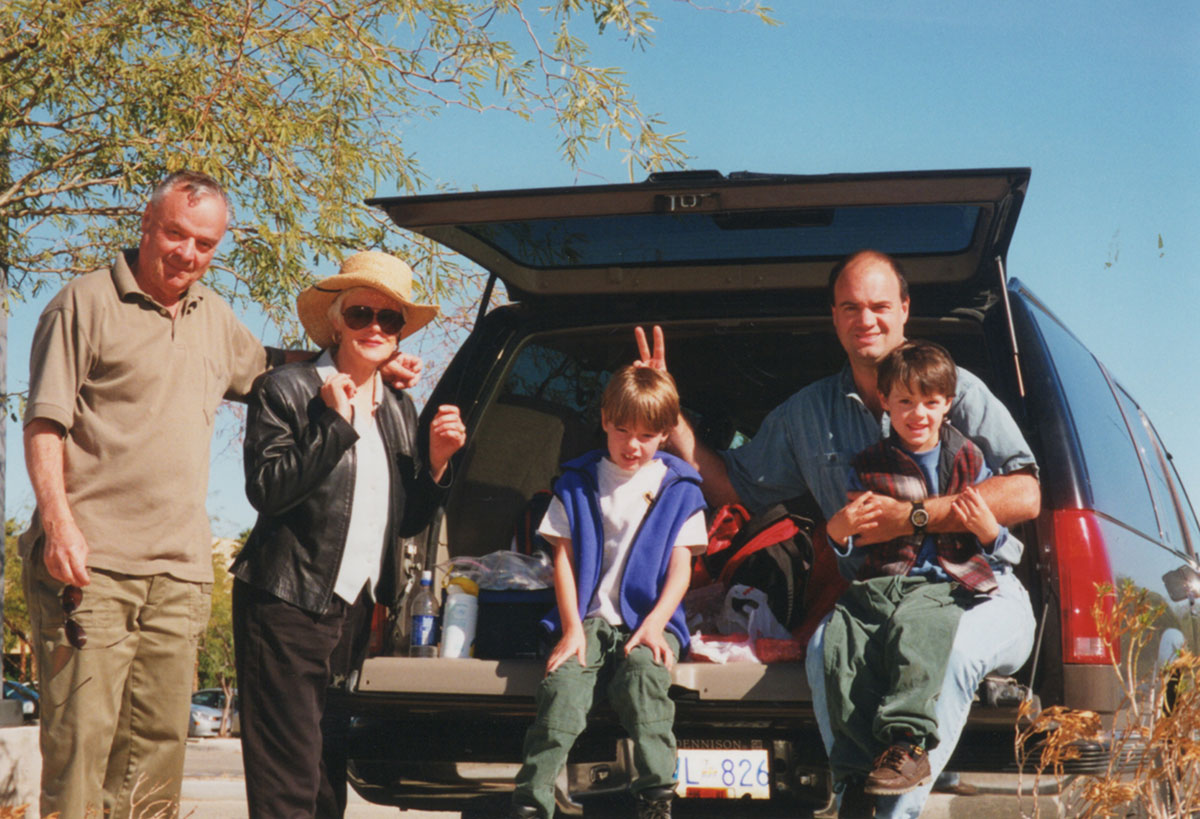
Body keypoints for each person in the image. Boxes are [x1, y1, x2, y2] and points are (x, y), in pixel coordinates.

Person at [18, 170, 420, 818]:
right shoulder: (83, 303)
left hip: (179, 571)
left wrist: (370, 357)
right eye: (175, 233)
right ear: (147, 225)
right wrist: (59, 525)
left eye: (204, 243)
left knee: (154, 762)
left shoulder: (212, 317)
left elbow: (273, 363)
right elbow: (44, 422)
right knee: (82, 753)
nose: (187, 252)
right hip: (92, 565)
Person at [635, 248, 1040, 818]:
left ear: (904, 308)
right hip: (877, 601)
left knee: (948, 652)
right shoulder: (808, 413)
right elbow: (733, 487)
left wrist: (917, 514)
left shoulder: (956, 389)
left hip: (977, 594)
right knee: (826, 646)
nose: (865, 319)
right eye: (850, 307)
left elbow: (1026, 491)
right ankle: (852, 791)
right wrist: (671, 411)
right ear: (834, 317)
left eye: (879, 305)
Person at [232, 250, 466, 818]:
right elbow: (267, 489)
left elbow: (404, 522)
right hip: (285, 603)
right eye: (361, 313)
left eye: (390, 320)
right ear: (335, 321)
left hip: (354, 612)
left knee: (325, 779)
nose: (375, 328)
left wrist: (435, 464)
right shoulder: (287, 390)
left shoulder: (398, 408)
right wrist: (332, 425)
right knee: (287, 779)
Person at [510, 365, 709, 819]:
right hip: (589, 620)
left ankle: (657, 796)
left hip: (651, 620)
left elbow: (682, 569)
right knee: (561, 690)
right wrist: (571, 629)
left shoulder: (681, 489)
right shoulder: (576, 483)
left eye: (646, 434)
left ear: (665, 434)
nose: (632, 445)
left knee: (644, 678)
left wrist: (657, 624)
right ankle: (531, 801)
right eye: (622, 430)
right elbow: (563, 558)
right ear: (604, 420)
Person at [821, 340, 1014, 798]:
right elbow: (854, 548)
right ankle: (853, 770)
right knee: (840, 643)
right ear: (885, 402)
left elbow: (998, 547)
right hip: (882, 581)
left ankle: (907, 744)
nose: (917, 413)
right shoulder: (868, 467)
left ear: (948, 404)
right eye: (905, 402)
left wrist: (991, 534)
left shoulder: (969, 460)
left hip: (947, 581)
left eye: (930, 402)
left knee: (916, 628)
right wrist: (838, 532)